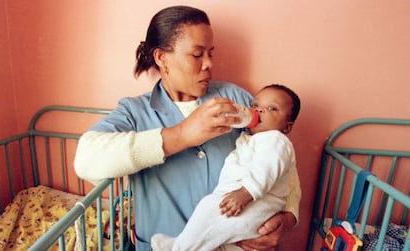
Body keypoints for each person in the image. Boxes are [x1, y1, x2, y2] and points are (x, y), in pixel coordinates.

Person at [74, 5, 301, 251]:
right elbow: (85, 161)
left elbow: (280, 161)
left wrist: (289, 217)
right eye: (197, 54)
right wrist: (181, 135)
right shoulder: (134, 112)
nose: (208, 64)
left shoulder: (237, 99)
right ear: (161, 58)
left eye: (210, 54)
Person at [150, 84, 300, 251]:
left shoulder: (275, 140)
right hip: (245, 204)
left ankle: (180, 247)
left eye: (272, 108)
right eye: (255, 105)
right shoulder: (251, 138)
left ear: (287, 127)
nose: (259, 111)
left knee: (209, 207)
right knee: (221, 241)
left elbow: (267, 170)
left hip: (256, 202)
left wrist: (246, 192)